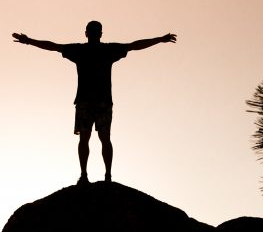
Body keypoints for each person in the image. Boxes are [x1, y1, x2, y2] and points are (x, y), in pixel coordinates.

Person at [12, 21, 176, 184]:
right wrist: (160, 39)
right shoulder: (108, 50)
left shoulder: (80, 50)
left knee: (85, 138)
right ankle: (107, 176)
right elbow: (134, 45)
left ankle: (85, 175)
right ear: (101, 33)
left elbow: (54, 46)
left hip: (86, 101)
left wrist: (29, 41)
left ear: (86, 33)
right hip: (102, 101)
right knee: (104, 138)